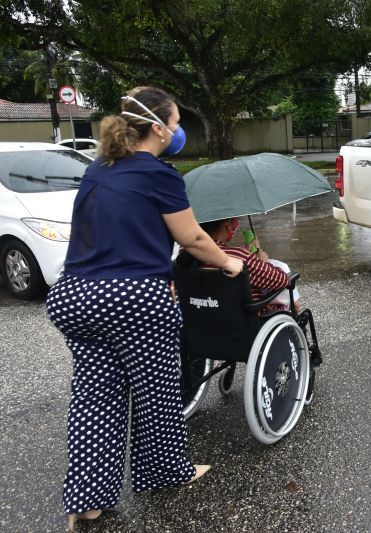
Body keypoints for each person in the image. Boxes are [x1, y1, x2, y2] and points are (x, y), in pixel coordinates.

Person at [45, 86, 244, 531]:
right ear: (156, 128)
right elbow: (191, 238)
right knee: (157, 394)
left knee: (95, 399)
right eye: (175, 124)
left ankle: (87, 501)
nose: (178, 132)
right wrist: (229, 261)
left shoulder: (100, 169)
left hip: (74, 297)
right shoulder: (158, 173)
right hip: (132, 298)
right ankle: (166, 473)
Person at [197, 218, 300, 315]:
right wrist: (264, 262)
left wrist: (247, 254)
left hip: (201, 318)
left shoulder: (185, 254)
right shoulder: (239, 256)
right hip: (245, 319)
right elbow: (281, 280)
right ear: (226, 225)